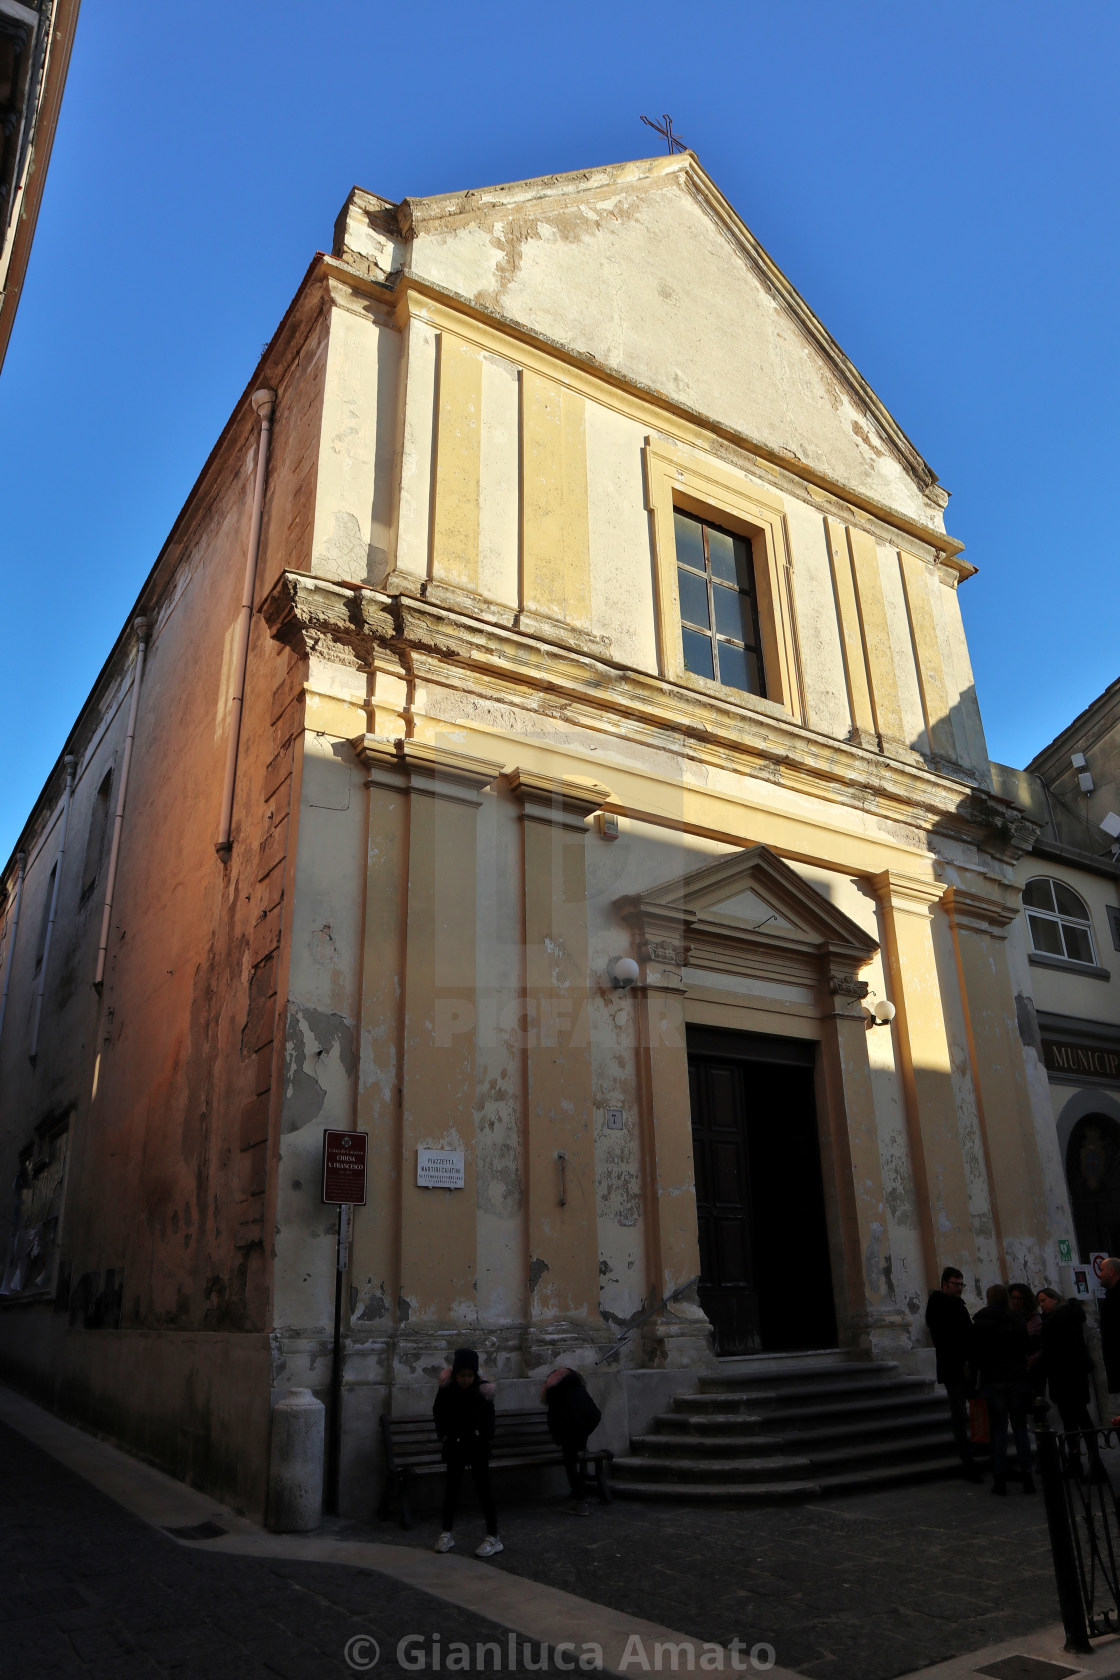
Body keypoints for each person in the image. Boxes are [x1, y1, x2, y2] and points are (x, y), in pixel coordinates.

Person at [432, 1348, 503, 1558]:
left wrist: (486, 1436)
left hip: (477, 1446)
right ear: (455, 1374)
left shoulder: (483, 1391)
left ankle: (493, 1536)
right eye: (462, 1375)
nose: (465, 1380)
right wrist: (444, 1435)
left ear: (475, 1375)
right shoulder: (447, 1390)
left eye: (469, 1376)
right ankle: (446, 1533)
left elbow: (490, 1417)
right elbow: (438, 1411)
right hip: (455, 1445)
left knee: (484, 1490)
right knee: (451, 1490)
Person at [973, 1283, 1035, 1496]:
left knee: (998, 1430)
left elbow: (976, 1354)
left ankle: (999, 1479)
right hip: (1017, 1378)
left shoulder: (980, 1321)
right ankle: (1028, 1476)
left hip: (993, 1379)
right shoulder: (1016, 1319)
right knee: (1020, 1429)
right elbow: (1027, 1345)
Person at [1037, 1287, 1103, 1480]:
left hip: (1068, 1378)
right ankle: (1078, 1464)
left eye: (1044, 1300)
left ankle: (1092, 1464)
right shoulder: (1061, 1318)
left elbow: (1056, 1351)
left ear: (1054, 1299)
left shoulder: (1060, 1320)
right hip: (1069, 1377)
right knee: (1072, 1423)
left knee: (1080, 1420)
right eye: (1039, 1301)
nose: (1042, 1305)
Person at [925, 1266, 982, 1481]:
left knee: (977, 1408)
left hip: (968, 1367)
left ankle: (979, 1446)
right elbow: (945, 1337)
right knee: (959, 1414)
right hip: (953, 1367)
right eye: (955, 1284)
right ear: (944, 1284)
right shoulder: (938, 1306)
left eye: (961, 1284)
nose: (959, 1288)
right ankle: (967, 1458)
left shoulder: (958, 1305)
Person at [542, 1367, 603, 1516]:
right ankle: (579, 1494)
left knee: (570, 1464)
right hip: (580, 1433)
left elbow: (554, 1419)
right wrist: (583, 1432)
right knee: (577, 1460)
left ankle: (580, 1501)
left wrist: (560, 1438)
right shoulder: (577, 1388)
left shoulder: (557, 1394)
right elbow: (594, 1413)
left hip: (570, 1434)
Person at [1009, 1282, 1043, 1392]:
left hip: (1031, 1370)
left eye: (1019, 1299)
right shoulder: (1009, 1316)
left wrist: (1028, 1362)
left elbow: (1041, 1346)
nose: (1015, 1302)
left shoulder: (1034, 1319)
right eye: (1013, 1298)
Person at [1099, 1257, 1120, 1394]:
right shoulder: (1111, 1297)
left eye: (1101, 1270)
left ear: (1111, 1271)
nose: (1099, 1275)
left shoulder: (1115, 1298)